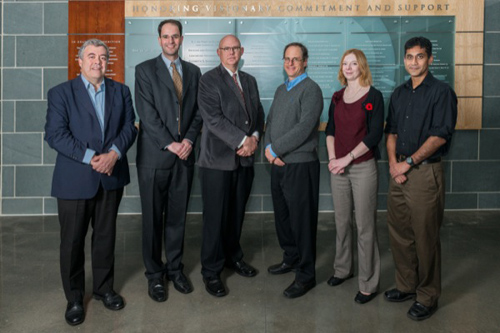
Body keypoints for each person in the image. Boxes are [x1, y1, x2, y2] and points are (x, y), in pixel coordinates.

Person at [45, 39, 137, 326]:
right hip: (75, 179)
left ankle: (103, 289)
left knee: (105, 237)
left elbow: (129, 127)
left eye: (102, 56)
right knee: (72, 241)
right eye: (91, 56)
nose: (97, 61)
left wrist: (113, 154)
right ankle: (74, 298)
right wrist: (91, 157)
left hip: (111, 177)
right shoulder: (61, 93)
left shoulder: (121, 91)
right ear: (79, 61)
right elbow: (55, 134)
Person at [384, 36, 457, 320]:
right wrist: (393, 164)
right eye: (409, 57)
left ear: (430, 59)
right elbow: (391, 132)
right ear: (404, 59)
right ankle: (406, 285)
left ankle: (427, 296)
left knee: (425, 236)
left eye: (420, 56)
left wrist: (409, 163)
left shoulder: (441, 92)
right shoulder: (400, 93)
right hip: (397, 172)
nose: (414, 62)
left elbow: (440, 135)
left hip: (425, 173)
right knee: (400, 233)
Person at [135, 19, 202, 302]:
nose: (171, 41)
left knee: (177, 218)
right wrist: (171, 143)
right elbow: (146, 114)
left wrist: (187, 141)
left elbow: (200, 111)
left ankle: (175, 269)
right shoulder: (144, 70)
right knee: (152, 219)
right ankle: (154, 276)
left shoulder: (194, 71)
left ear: (182, 39)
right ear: (159, 39)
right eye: (166, 36)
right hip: (155, 156)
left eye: (175, 36)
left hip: (184, 157)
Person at [197, 34, 264, 297]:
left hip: (245, 160)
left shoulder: (249, 80)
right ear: (218, 52)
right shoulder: (209, 80)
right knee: (215, 218)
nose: (231, 52)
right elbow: (213, 119)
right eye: (226, 48)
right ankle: (211, 271)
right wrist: (242, 141)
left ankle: (232, 257)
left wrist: (255, 138)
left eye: (235, 48)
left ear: (241, 50)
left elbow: (258, 113)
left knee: (236, 214)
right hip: (217, 161)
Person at [325, 49, 384, 304]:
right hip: (337, 168)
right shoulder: (337, 97)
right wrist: (332, 160)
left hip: (362, 167)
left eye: (353, 63)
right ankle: (342, 269)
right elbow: (330, 130)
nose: (348, 67)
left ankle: (368, 283)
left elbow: (373, 137)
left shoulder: (374, 96)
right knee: (341, 222)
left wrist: (346, 158)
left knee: (365, 226)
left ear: (361, 66)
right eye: (344, 63)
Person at [265, 42, 323, 298]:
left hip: (300, 165)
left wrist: (275, 149)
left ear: (305, 61)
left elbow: (304, 128)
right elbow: (269, 122)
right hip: (277, 164)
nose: (290, 63)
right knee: (283, 217)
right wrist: (268, 148)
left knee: (302, 221)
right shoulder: (280, 90)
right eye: (287, 59)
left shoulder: (311, 90)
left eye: (296, 59)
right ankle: (291, 257)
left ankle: (306, 275)